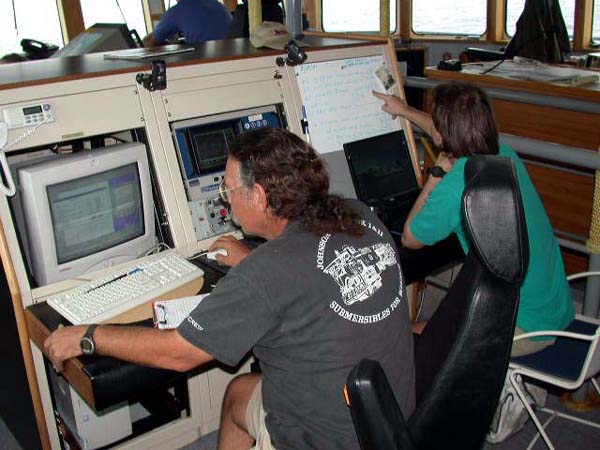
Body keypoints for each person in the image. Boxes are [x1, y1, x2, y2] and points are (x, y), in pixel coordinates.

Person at [44, 128, 415, 450]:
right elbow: (312, 277)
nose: (225, 196)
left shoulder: (266, 272)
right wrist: (251, 262)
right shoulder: (356, 213)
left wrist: (88, 337)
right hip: (390, 415)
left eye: (229, 188)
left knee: (242, 392)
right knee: (239, 393)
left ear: (258, 197)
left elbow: (178, 354)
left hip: (323, 439)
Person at [373, 83, 575, 357]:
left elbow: (410, 238)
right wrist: (405, 111)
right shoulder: (504, 153)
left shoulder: (457, 184)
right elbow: (445, 129)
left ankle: (502, 390)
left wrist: (436, 174)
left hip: (525, 327)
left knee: (412, 336)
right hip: (554, 308)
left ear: (443, 136)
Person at [143, 0, 232, 46]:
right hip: (231, 58)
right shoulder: (217, 4)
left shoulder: (178, 10)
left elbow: (150, 41)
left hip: (204, 61)